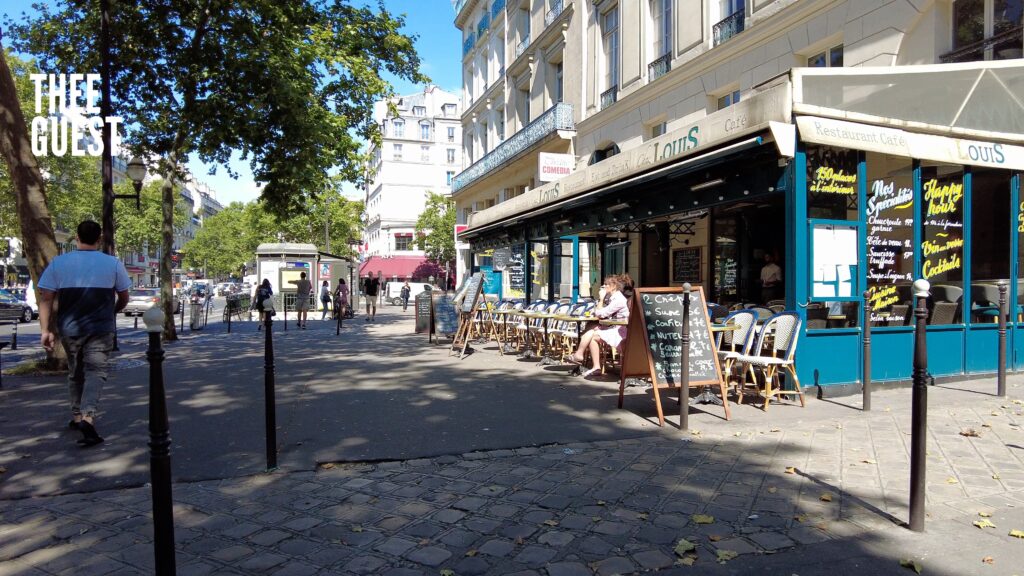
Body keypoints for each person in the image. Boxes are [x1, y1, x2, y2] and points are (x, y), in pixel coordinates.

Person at [38, 220, 131, 447]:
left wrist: (45, 330)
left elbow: (45, 298)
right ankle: (88, 416)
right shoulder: (113, 263)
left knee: (75, 371)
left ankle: (77, 416)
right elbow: (124, 297)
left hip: (70, 328)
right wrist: (112, 311)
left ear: (76, 238)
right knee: (96, 372)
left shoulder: (59, 263)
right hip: (101, 328)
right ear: (99, 239)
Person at [567, 275, 629, 378]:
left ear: (613, 286)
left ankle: (582, 356)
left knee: (592, 333)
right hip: (614, 327)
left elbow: (600, 314)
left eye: (606, 284)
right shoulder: (613, 297)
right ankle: (587, 360)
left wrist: (600, 299)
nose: (603, 286)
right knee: (591, 327)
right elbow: (601, 313)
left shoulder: (618, 299)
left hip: (621, 330)